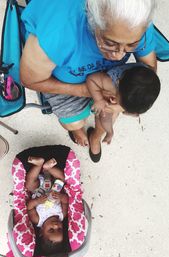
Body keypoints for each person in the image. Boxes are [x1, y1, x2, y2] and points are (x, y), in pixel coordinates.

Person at [20, 0, 157, 162]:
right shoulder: (58, 32)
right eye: (110, 43)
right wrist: (86, 91)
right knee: (74, 122)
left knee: (110, 113)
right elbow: (29, 80)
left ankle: (96, 137)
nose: (120, 56)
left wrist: (120, 104)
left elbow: (149, 70)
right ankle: (77, 129)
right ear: (91, 19)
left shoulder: (135, 21)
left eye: (131, 44)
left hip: (112, 83)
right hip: (66, 85)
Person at [86, 63, 160, 147]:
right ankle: (110, 132)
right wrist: (99, 100)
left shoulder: (147, 77)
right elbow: (91, 79)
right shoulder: (109, 82)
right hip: (117, 86)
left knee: (132, 106)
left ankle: (128, 110)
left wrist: (126, 107)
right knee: (105, 116)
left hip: (127, 90)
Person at [26, 157, 68, 256]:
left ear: (41, 231)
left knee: (29, 184)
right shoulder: (62, 215)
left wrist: (37, 201)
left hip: (38, 188)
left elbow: (29, 207)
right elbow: (66, 201)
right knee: (62, 178)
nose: (56, 225)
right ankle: (48, 167)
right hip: (54, 185)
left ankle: (39, 165)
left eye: (51, 230)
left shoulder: (38, 220)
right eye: (59, 229)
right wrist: (60, 196)